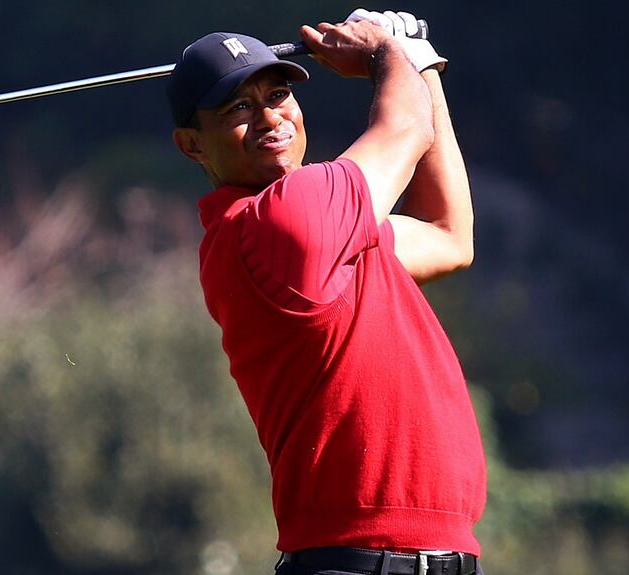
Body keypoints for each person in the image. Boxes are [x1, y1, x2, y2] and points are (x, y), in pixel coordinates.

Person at [167, 9, 486, 575]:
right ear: (192, 145)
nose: (270, 116)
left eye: (278, 94)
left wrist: (423, 63)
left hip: (438, 557)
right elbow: (407, 129)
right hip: (357, 563)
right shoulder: (284, 219)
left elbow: (448, 236)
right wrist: (387, 53)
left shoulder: (317, 231)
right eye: (239, 107)